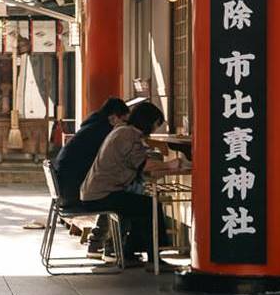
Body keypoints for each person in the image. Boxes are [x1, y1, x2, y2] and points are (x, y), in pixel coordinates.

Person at [80, 101, 185, 266]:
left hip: (97, 191)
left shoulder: (122, 131)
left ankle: (130, 251)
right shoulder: (128, 135)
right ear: (148, 121)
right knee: (150, 206)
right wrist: (169, 165)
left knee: (139, 203)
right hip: (103, 194)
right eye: (157, 124)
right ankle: (154, 258)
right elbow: (144, 164)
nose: (156, 129)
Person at [51, 97, 130, 209]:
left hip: (64, 190)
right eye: (124, 121)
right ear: (114, 118)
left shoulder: (93, 125)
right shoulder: (103, 131)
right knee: (123, 197)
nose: (126, 126)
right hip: (73, 193)